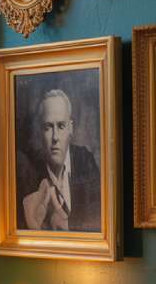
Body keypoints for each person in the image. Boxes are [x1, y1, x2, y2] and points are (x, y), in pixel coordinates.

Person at [17, 89, 101, 232]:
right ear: (39, 131)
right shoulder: (28, 174)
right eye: (48, 127)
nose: (55, 137)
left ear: (71, 128)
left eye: (61, 126)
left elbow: (98, 216)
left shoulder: (85, 160)